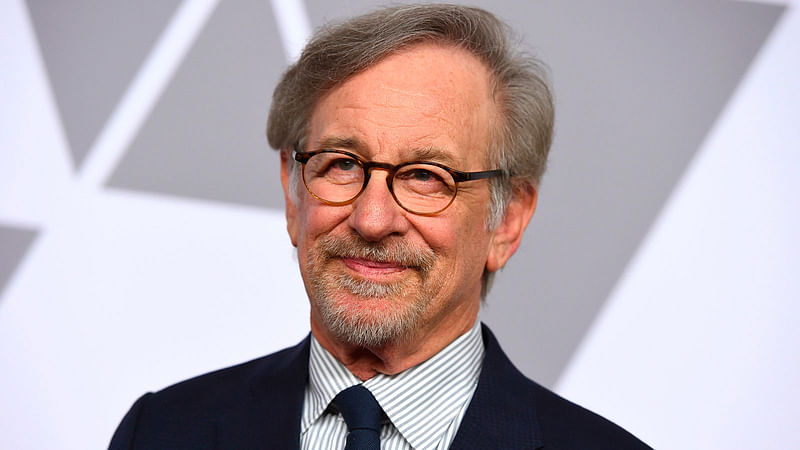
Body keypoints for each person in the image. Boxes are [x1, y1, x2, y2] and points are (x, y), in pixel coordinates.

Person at [110, 4, 650, 449]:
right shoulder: (160, 433)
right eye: (342, 163)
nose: (372, 219)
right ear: (293, 193)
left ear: (506, 220)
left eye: (424, 176)